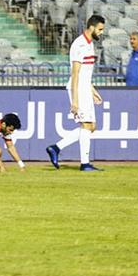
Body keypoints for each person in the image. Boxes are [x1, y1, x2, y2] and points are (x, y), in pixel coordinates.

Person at [45, 15, 105, 171]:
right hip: (78, 88)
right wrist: (75, 101)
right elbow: (76, 74)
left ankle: (56, 148)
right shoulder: (79, 45)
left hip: (85, 88)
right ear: (91, 27)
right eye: (100, 29)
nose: (101, 33)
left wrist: (92, 90)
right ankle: (85, 164)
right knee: (86, 125)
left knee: (91, 126)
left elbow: (86, 73)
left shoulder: (90, 44)